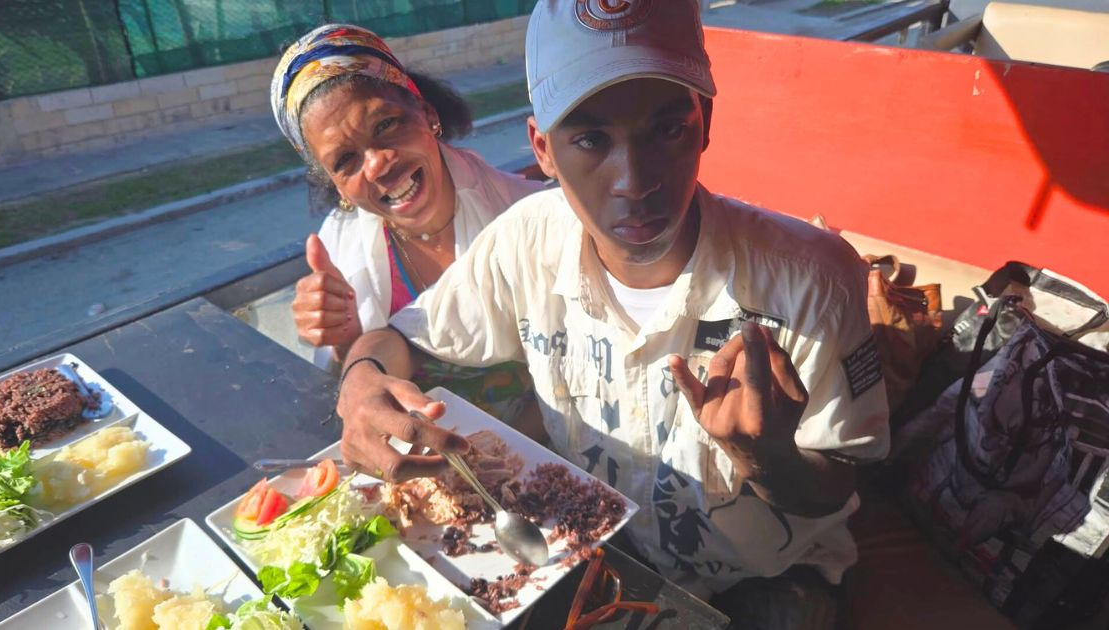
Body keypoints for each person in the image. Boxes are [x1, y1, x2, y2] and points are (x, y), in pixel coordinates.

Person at [333, 2, 889, 629]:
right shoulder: (525, 243)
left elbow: (838, 484)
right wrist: (360, 382)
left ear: (705, 123)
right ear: (543, 148)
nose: (634, 180)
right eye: (591, 138)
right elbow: (399, 337)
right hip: (598, 552)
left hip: (764, 578)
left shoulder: (813, 281)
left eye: (667, 129)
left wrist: (768, 459)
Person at [272, 24, 544, 423]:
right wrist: (344, 335)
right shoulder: (341, 247)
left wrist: (510, 454)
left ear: (428, 114)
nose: (378, 163)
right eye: (345, 161)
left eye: (386, 125)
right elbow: (369, 389)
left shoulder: (528, 220)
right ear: (337, 187)